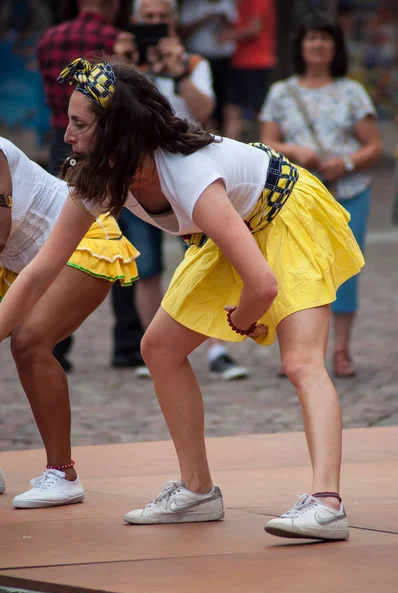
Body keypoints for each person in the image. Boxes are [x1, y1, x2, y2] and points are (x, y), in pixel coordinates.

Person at [0, 57, 364, 540]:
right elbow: (42, 269)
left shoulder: (187, 174)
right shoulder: (99, 179)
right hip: (231, 229)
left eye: (80, 124)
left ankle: (326, 504)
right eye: (69, 121)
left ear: (117, 131)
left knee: (301, 362)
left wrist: (244, 318)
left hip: (286, 216)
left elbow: (263, 285)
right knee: (160, 348)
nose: (67, 135)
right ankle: (197, 491)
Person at [112, 0, 249, 380]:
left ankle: (216, 348)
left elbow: (204, 110)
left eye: (162, 18)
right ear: (136, 22)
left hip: (191, 178)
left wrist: (176, 71)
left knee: (207, 261)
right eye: (148, 19)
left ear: (174, 22)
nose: (156, 25)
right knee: (147, 267)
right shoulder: (120, 67)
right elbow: (104, 112)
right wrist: (124, 64)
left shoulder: (191, 63)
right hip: (140, 179)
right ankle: (152, 346)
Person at [0, 136, 139, 509]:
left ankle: (63, 474)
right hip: (19, 260)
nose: (68, 135)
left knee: (28, 342)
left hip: (80, 241)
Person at [259, 12, 382, 378]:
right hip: (295, 198)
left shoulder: (352, 91)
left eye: (325, 38)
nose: (318, 45)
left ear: (336, 46)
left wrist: (344, 164)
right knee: (293, 273)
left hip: (347, 194)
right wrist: (297, 152)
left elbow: (373, 147)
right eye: (311, 38)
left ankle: (341, 352)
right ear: (300, 46)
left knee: (343, 273)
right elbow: (266, 141)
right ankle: (298, 354)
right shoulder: (281, 92)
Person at [37, 0, 135, 372]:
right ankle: (126, 343)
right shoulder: (114, 40)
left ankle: (56, 343)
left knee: (59, 239)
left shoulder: (49, 39)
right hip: (103, 144)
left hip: (61, 140)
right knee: (118, 243)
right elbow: (129, 101)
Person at [220, 0, 276, 141]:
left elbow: (254, 29)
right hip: (237, 62)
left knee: (261, 114)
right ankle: (229, 156)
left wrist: (229, 35)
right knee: (231, 112)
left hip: (257, 63)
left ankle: (264, 153)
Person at [179, 0, 238, 133]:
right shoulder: (193, 4)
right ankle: (209, 136)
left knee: (227, 105)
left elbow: (235, 26)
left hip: (225, 59)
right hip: (199, 56)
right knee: (208, 112)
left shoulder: (228, 3)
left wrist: (222, 19)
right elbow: (182, 29)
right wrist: (205, 18)